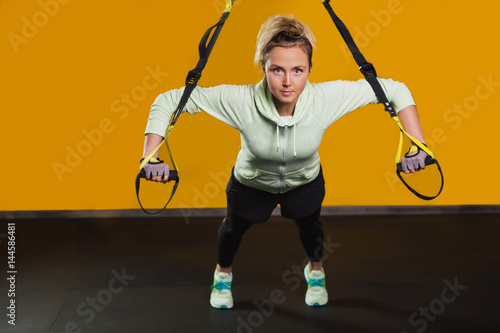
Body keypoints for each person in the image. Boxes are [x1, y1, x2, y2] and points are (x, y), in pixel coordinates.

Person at [140, 14, 428, 309]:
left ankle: (315, 271)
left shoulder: (325, 99)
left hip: (304, 182)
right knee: (233, 229)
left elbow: (393, 90)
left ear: (310, 69)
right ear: (263, 68)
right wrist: (151, 156)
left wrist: (418, 146)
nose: (288, 82)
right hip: (251, 184)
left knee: (310, 229)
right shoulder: (241, 101)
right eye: (277, 69)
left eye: (298, 70)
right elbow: (169, 100)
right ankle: (222, 274)